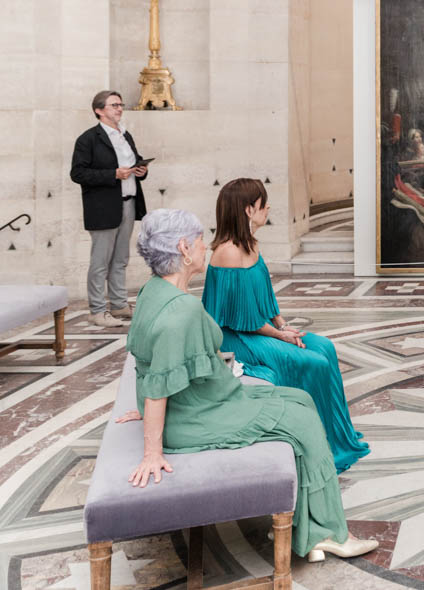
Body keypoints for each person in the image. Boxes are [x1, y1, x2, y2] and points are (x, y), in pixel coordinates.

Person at [117, 209, 377, 563]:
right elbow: (160, 382)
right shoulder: (182, 312)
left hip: (202, 400)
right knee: (302, 422)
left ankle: (306, 525)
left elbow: (148, 364)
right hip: (199, 414)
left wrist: (144, 405)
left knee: (299, 398)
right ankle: (328, 533)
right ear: (183, 248)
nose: (204, 247)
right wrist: (151, 450)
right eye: (198, 241)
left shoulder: (152, 292)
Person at [202, 179, 370, 472]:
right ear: (247, 209)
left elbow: (264, 296)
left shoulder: (250, 243)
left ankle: (338, 438)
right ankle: (319, 448)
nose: (267, 207)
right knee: (312, 364)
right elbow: (244, 319)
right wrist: (280, 335)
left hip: (259, 328)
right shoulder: (228, 253)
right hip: (238, 338)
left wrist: (283, 325)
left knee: (325, 348)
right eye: (262, 203)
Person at [70, 90, 149, 327]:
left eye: (120, 104)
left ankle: (119, 304)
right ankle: (97, 309)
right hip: (103, 207)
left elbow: (134, 160)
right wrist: (114, 174)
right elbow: (78, 173)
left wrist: (141, 170)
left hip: (128, 203)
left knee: (120, 258)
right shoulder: (88, 139)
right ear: (99, 110)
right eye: (114, 105)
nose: (119, 108)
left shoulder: (125, 135)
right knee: (100, 260)